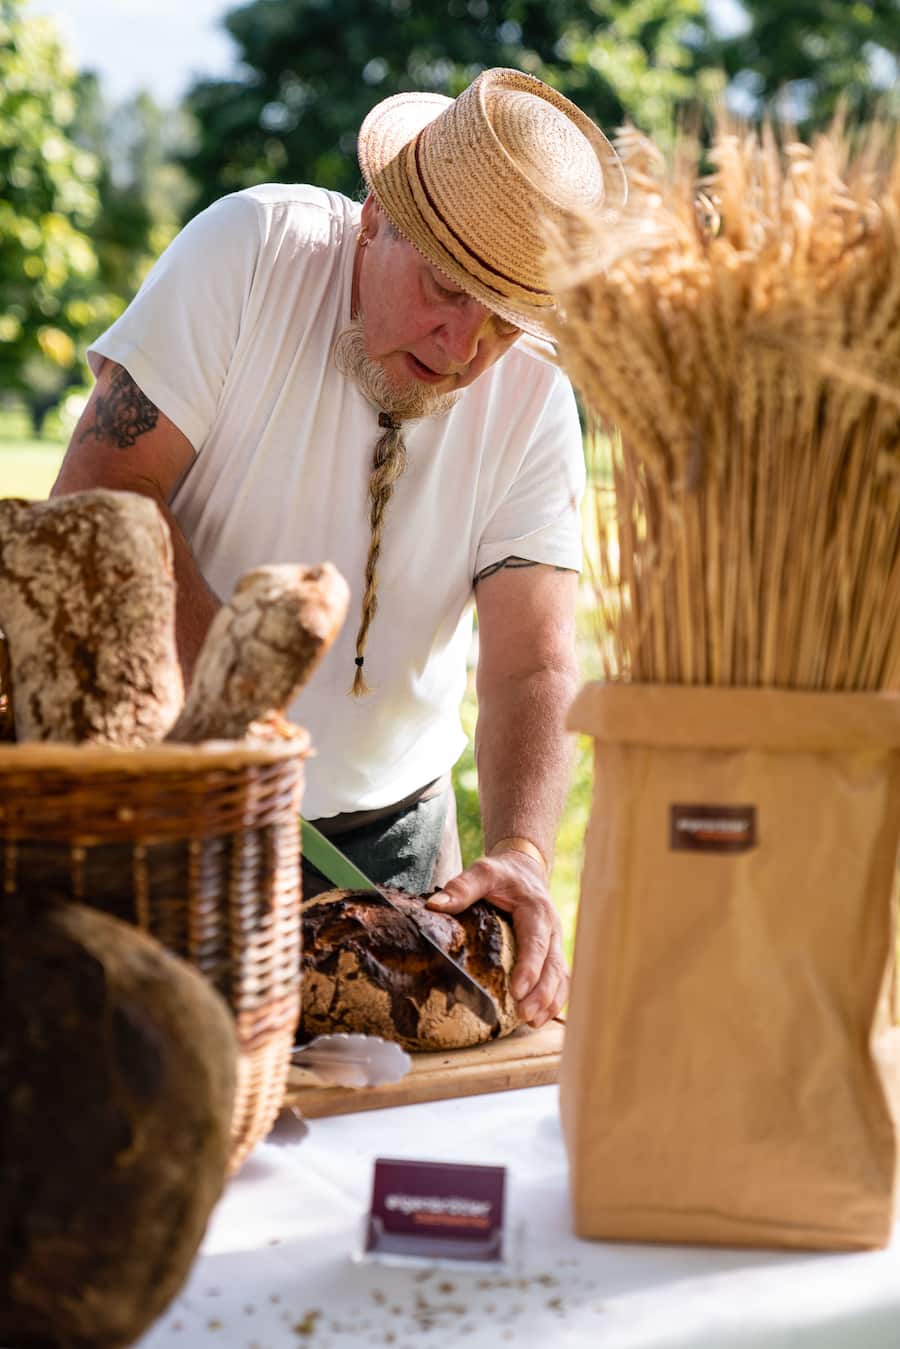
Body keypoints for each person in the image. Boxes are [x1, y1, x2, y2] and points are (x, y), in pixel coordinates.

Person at [50, 67, 626, 1030]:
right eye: (446, 287)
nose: (461, 345)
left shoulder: (530, 395)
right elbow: (102, 494)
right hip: (171, 800)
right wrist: (237, 715)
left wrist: (523, 848)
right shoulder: (250, 250)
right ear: (375, 219)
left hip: (395, 844)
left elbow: (533, 661)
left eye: (502, 321)